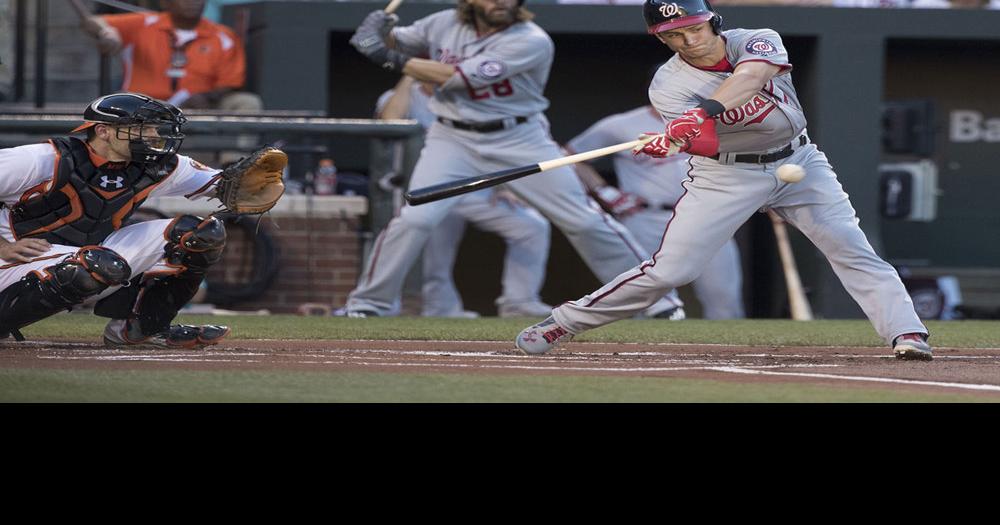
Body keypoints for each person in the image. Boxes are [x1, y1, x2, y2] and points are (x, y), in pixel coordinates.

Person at [516, 0, 933, 360]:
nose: (688, 40)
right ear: (661, 39)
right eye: (673, 35)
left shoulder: (756, 38)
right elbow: (709, 142)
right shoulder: (668, 84)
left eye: (694, 28)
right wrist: (678, 142)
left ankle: (906, 332)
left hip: (801, 161)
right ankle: (564, 322)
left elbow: (751, 77)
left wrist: (702, 112)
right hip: (727, 174)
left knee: (850, 245)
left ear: (712, 20)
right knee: (670, 272)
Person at [345, 0, 679, 319]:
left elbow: (454, 76)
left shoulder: (531, 40)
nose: (503, 2)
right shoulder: (441, 23)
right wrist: (381, 30)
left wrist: (383, 54)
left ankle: (656, 298)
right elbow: (398, 41)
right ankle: (368, 302)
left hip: (519, 138)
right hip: (452, 138)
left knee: (583, 220)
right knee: (414, 220)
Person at [0, 92, 237, 347]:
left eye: (155, 129)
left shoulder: (155, 165)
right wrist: (3, 246)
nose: (154, 136)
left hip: (87, 258)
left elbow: (230, 187)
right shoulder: (42, 159)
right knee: (93, 265)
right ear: (103, 131)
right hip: (14, 260)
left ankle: (139, 329)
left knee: (201, 233)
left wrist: (257, 182)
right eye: (142, 128)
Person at [376, 75, 553, 318]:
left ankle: (519, 301)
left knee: (531, 226)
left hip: (472, 188)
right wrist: (409, 74)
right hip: (428, 189)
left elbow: (493, 143)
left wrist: (504, 187)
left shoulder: (467, 99)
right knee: (435, 255)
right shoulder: (401, 95)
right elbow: (390, 120)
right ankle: (441, 308)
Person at [568, 103, 745, 319]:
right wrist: (604, 191)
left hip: (706, 215)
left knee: (723, 295)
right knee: (642, 295)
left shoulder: (714, 123)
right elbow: (570, 156)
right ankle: (641, 350)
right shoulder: (620, 125)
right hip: (647, 215)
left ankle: (725, 352)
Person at [79, 0, 262, 111]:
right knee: (127, 104)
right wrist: (107, 33)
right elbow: (92, 21)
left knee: (247, 102)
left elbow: (230, 83)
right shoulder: (143, 23)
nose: (192, 2)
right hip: (147, 102)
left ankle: (235, 165)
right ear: (165, 3)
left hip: (201, 105)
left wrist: (206, 97)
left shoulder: (224, 35)